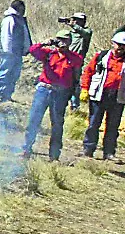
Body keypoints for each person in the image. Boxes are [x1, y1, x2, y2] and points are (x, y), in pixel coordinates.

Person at [21, 29, 84, 161]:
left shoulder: (75, 58)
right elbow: (32, 50)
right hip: (44, 90)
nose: (63, 43)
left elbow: (76, 76)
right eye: (60, 39)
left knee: (57, 123)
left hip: (61, 93)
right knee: (34, 120)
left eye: (66, 40)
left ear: (70, 42)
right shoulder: (49, 53)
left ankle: (54, 155)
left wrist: (73, 96)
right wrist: (45, 43)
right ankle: (26, 149)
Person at [80, 29, 125, 162]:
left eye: (124, 45)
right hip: (99, 95)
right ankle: (88, 149)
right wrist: (85, 89)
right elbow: (88, 72)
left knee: (113, 127)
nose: (121, 47)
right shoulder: (101, 56)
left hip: (118, 97)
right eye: (119, 44)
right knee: (93, 123)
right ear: (112, 43)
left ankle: (109, 153)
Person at [0, 0, 30, 103]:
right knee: (5, 72)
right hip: (9, 52)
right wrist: (8, 50)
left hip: (18, 52)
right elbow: (6, 35)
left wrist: (26, 48)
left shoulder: (20, 20)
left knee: (14, 74)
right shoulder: (9, 19)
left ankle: (7, 95)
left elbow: (25, 36)